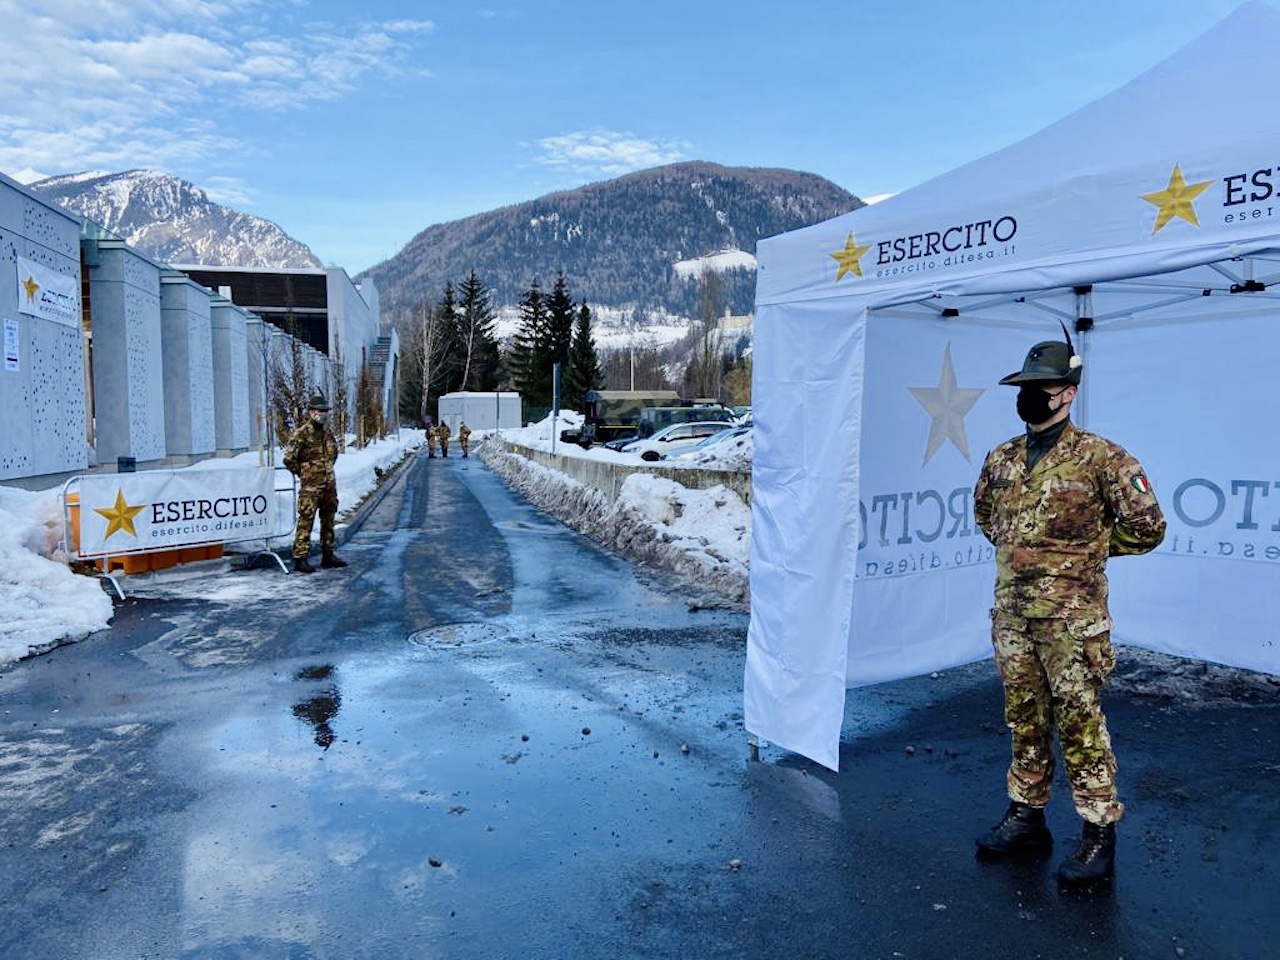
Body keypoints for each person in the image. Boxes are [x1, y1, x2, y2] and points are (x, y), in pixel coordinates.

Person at [972, 330, 1165, 886]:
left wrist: (1085, 553)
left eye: (1041, 386)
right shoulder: (1002, 458)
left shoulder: (1103, 458)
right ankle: (1026, 816)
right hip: (1013, 616)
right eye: (1025, 385)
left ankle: (1098, 833)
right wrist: (1028, 555)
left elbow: (1148, 527)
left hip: (1072, 622)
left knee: (1080, 723)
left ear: (1068, 393)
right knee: (1024, 717)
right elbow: (987, 518)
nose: (1029, 395)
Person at [283, 394, 347, 574]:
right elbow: (289, 459)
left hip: (329, 485)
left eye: (325, 411)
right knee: (306, 520)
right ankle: (300, 557)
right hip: (310, 488)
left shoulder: (328, 433)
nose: (323, 414)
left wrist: (326, 471)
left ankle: (328, 554)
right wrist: (305, 472)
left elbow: (334, 454)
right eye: (320, 411)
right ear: (311, 412)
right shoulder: (301, 434)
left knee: (328, 519)